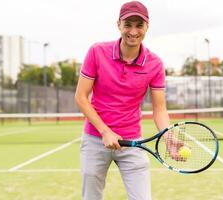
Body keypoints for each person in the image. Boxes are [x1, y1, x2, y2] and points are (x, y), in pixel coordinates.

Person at [75, 1, 175, 199]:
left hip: (133, 142)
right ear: (118, 25)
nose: (133, 31)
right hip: (95, 139)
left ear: (147, 27)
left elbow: (160, 109)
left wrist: (169, 138)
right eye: (128, 24)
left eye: (139, 25)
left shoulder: (155, 64)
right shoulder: (97, 52)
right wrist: (105, 131)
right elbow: (81, 97)